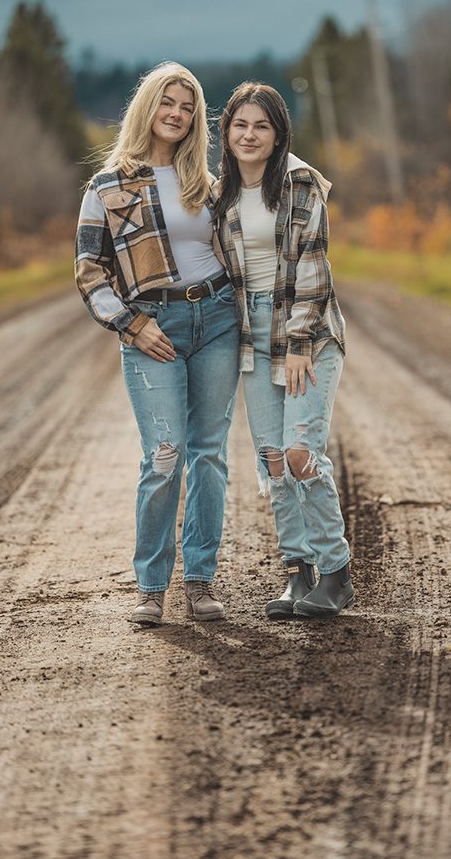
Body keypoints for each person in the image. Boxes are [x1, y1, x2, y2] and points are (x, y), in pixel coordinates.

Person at [75, 62, 239, 626]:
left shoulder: (210, 186)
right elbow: (89, 272)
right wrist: (130, 324)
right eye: (168, 102)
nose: (178, 114)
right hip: (152, 328)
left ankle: (200, 580)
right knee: (164, 456)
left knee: (209, 455)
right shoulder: (105, 187)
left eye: (188, 106)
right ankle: (150, 587)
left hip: (217, 319)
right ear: (147, 107)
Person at [213, 82, 353, 619]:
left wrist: (298, 344)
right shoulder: (220, 192)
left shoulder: (299, 183)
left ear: (278, 135)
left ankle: (336, 573)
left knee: (300, 454)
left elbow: (315, 269)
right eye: (240, 125)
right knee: (273, 462)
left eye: (261, 126)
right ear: (226, 132)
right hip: (252, 336)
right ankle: (298, 573)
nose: (249, 135)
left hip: (307, 335)